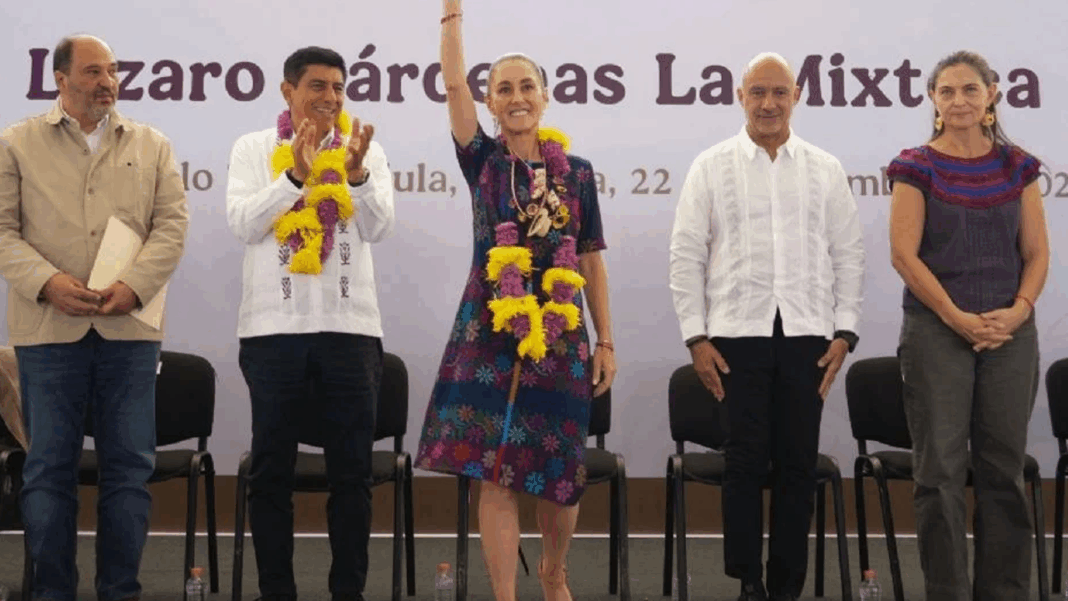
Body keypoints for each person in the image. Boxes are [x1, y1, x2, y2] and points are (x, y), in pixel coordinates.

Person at [414, 2, 617, 601]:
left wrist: (605, 339)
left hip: (561, 337)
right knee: (493, 472)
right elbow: (453, 81)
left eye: (527, 85)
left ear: (546, 96)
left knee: (557, 475)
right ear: (492, 103)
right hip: (488, 334)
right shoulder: (481, 160)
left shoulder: (576, 174)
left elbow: (590, 259)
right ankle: (505, 595)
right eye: (503, 88)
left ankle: (553, 572)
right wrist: (451, 17)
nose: (516, 96)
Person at [669, 52, 865, 601]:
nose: (769, 104)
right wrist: (696, 336)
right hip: (734, 334)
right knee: (746, 462)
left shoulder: (823, 167)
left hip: (808, 336)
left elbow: (848, 253)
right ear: (740, 96)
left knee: (798, 464)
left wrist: (845, 332)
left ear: (797, 95)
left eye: (779, 92)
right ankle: (747, 578)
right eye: (758, 92)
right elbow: (685, 254)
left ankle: (785, 586)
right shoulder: (711, 165)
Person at [0, 34, 189, 601]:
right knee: (48, 472)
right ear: (60, 79)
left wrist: (134, 287)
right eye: (92, 72)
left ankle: (120, 591)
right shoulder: (16, 144)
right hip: (47, 331)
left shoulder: (151, 144)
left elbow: (172, 227)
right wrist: (47, 283)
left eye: (112, 71)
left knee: (129, 472)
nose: (107, 81)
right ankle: (52, 592)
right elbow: (3, 232)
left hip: (128, 333)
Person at [225, 46, 395, 601]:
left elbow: (378, 227)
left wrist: (360, 175)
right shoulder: (253, 148)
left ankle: (348, 592)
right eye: (317, 86)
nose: (330, 98)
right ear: (288, 91)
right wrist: (295, 177)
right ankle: (278, 591)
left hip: (350, 331)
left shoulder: (362, 148)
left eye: (338, 88)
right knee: (271, 473)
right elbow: (246, 225)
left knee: (353, 476)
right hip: (274, 333)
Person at [887, 50, 1049, 601]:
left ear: (991, 97)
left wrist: (1020, 310)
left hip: (1010, 333)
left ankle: (1004, 593)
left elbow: (1037, 253)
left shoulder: (1019, 166)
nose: (958, 100)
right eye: (947, 91)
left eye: (969, 90)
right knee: (939, 476)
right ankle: (948, 592)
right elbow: (904, 256)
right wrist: (956, 317)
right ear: (933, 100)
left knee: (1004, 471)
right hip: (937, 331)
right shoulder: (915, 166)